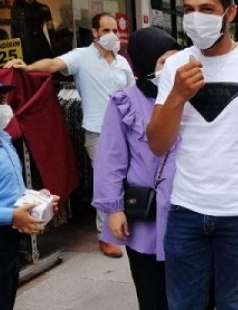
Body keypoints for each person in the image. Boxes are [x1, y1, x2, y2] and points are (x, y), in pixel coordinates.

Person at [145, 0, 238, 309]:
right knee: (182, 305)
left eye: (207, 9)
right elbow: (157, 143)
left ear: (231, 12)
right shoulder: (175, 66)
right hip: (186, 209)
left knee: (234, 305)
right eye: (188, 9)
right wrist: (178, 95)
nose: (196, 17)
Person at [4, 12, 135, 258]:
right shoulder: (82, 57)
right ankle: (104, 236)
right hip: (98, 131)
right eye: (106, 31)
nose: (112, 36)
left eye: (115, 31)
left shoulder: (122, 63)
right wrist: (28, 66)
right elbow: (54, 64)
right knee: (106, 181)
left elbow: (132, 94)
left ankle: (123, 223)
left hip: (125, 129)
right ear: (95, 33)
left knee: (127, 179)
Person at [91, 27, 180, 310]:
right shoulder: (125, 102)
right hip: (147, 216)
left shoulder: (188, 98)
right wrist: (114, 209)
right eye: (164, 61)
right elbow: (110, 160)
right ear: (145, 62)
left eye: (176, 60)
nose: (172, 68)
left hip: (187, 211)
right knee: (152, 293)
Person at [0, 78, 60, 310]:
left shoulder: (3, 137)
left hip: (8, 237)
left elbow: (11, 186)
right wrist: (11, 216)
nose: (1, 108)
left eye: (1, 100)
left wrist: (36, 197)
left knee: (5, 292)